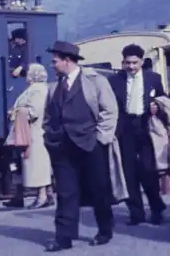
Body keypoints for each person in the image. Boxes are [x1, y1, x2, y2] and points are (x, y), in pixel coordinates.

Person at [43, 40, 128, 252]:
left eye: (55, 61)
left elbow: (110, 111)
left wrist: (101, 138)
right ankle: (64, 237)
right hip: (62, 147)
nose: (52, 64)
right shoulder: (54, 87)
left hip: (91, 146)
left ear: (67, 61)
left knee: (98, 190)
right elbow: (48, 116)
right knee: (65, 192)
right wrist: (49, 137)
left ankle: (105, 229)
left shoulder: (95, 82)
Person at [109, 44, 167, 225]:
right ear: (123, 62)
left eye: (135, 63)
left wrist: (157, 108)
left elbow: (164, 101)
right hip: (125, 128)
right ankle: (136, 212)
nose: (131, 67)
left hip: (146, 127)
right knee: (128, 173)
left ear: (142, 62)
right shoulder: (115, 80)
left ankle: (157, 208)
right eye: (128, 63)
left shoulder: (154, 79)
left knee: (149, 171)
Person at [4, 63, 54, 209]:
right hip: (30, 132)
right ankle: (48, 194)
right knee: (37, 165)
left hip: (33, 133)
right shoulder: (37, 89)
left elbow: (34, 111)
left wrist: (15, 112)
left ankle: (42, 196)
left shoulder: (38, 91)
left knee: (37, 164)